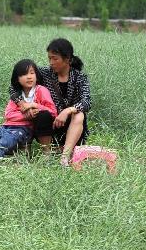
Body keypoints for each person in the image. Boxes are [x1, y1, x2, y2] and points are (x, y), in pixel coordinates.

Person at [9, 38, 91, 166]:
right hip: (50, 124)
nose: (51, 62)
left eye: (55, 58)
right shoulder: (44, 73)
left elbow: (86, 101)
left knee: (79, 114)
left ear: (67, 59)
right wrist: (22, 104)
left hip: (71, 128)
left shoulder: (80, 78)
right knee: (42, 113)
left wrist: (67, 111)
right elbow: (14, 86)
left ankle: (64, 157)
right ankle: (46, 153)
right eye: (49, 58)